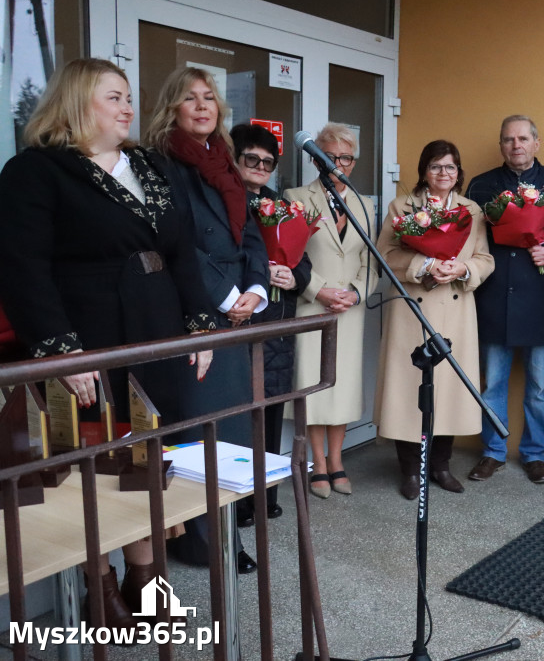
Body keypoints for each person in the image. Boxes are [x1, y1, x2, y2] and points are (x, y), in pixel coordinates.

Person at [0, 58, 215, 631]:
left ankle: (146, 576)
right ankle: (101, 587)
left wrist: (200, 324)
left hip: (156, 329)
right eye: (115, 97)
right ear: (76, 104)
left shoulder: (150, 164)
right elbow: (22, 269)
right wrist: (60, 349)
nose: (128, 108)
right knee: (91, 467)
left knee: (145, 459)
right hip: (84, 340)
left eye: (128, 97)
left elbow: (184, 251)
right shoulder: (37, 171)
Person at [145, 67, 269, 574]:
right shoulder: (161, 164)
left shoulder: (225, 163)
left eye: (209, 97)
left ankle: (221, 531)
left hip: (237, 315)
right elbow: (176, 244)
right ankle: (198, 539)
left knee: (233, 428)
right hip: (195, 312)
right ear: (171, 107)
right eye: (190, 98)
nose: (202, 105)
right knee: (198, 429)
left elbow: (252, 236)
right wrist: (227, 294)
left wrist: (258, 289)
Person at [375, 140, 494, 500]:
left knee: (449, 391)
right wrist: (425, 264)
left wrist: (462, 266)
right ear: (424, 170)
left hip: (456, 308)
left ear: (459, 173)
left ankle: (441, 466)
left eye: (451, 167)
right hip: (414, 308)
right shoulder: (402, 206)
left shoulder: (471, 210)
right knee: (409, 389)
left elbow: (485, 259)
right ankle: (411, 471)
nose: (444, 174)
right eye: (436, 167)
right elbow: (386, 253)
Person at [464, 115, 544, 484]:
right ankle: (493, 451)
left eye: (523, 138)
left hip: (541, 300)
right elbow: (468, 240)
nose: (516, 145)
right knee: (492, 383)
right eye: (509, 140)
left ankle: (534, 453)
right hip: (494, 299)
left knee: (539, 388)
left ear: (537, 143)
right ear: (501, 146)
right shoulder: (481, 186)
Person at [283, 122, 376, 499]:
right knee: (313, 387)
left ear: (354, 162)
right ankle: (317, 464)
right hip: (312, 306)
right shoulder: (296, 196)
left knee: (342, 387)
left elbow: (372, 259)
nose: (339, 163)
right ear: (316, 158)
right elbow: (289, 255)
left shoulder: (364, 203)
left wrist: (355, 293)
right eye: (331, 156)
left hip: (349, 311)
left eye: (346, 157)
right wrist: (320, 291)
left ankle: (338, 460)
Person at [230, 123, 312, 521]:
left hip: (277, 326)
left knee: (272, 411)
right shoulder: (224, 201)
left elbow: (303, 261)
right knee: (240, 415)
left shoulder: (280, 205)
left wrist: (293, 277)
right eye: (252, 159)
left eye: (268, 161)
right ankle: (240, 502)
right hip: (239, 322)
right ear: (235, 159)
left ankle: (266, 494)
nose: (260, 166)